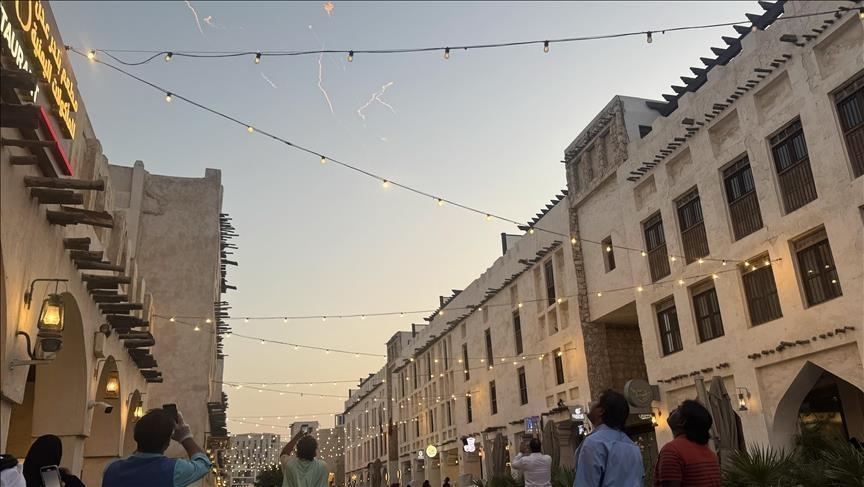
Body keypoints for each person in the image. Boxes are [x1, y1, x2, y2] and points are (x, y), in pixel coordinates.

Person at [102, 408, 211, 487]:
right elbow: (204, 464)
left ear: (136, 436)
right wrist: (185, 437)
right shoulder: (174, 470)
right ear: (167, 443)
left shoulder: (111, 468)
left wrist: (146, 435)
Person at [573, 390, 643, 486]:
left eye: (595, 400)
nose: (591, 403)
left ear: (601, 411)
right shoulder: (633, 447)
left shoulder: (594, 443)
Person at [653, 400, 721, 487]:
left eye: (678, 409)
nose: (673, 410)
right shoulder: (710, 454)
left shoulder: (672, 451)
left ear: (682, 422)